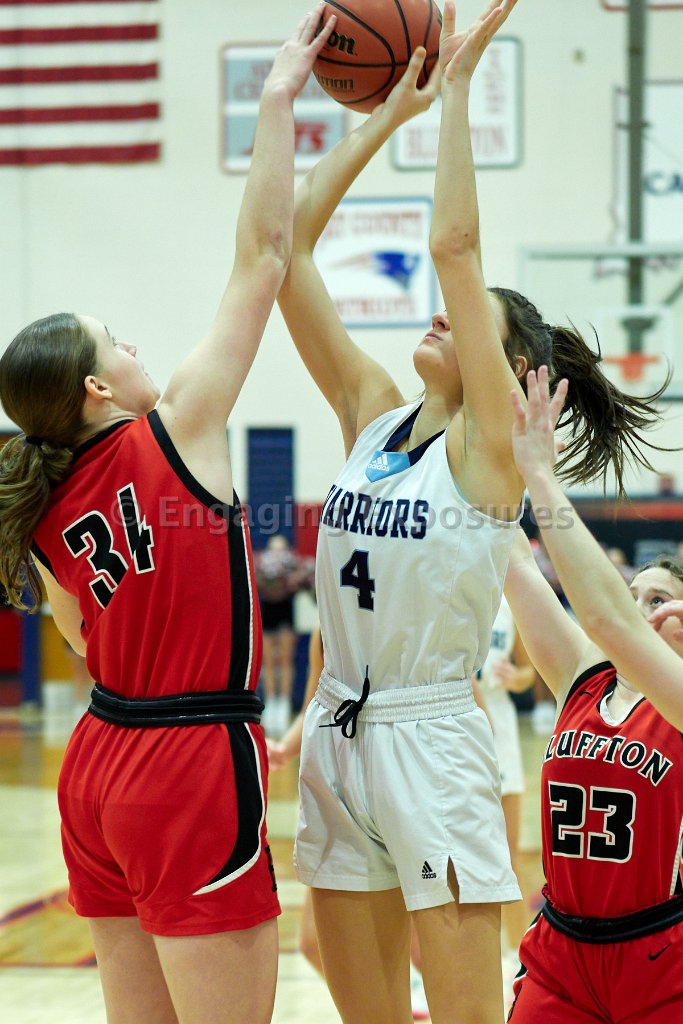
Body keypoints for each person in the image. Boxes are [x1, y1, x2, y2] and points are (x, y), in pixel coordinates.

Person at [276, 1, 669, 1021]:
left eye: (464, 319)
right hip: (339, 731)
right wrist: (382, 118)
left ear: (508, 365)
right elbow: (288, 250)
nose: (437, 313)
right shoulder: (369, 411)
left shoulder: (486, 448)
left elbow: (453, 244)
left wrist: (454, 93)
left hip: (431, 736)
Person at [0, 11, 336, 1024]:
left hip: (98, 764)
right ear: (98, 388)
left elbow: (79, 641)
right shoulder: (179, 425)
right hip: (189, 761)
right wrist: (277, 99)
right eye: (116, 339)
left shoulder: (42, 508)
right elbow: (264, 255)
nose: (135, 343)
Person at [502, 366, 683, 1022]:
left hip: (660, 953)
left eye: (658, 600)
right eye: (633, 595)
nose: (639, 610)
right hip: (560, 950)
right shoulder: (582, 673)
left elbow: (604, 616)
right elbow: (511, 560)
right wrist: (489, 448)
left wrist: (540, 476)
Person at [268, 624, 432, 1021]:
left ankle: (417, 999)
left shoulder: (413, 617)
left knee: (421, 946)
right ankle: (398, 1005)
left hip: (405, 782)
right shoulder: (327, 626)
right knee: (312, 943)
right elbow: (314, 702)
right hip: (340, 791)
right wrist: (284, 749)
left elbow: (464, 695)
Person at [473, 596, 537, 961]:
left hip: (500, 725)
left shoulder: (508, 603)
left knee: (508, 850)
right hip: (460, 722)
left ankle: (519, 954)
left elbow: (528, 670)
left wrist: (515, 678)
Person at [254, 534, 314, 737]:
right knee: (269, 663)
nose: (277, 554)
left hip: (286, 617)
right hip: (268, 616)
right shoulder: (261, 567)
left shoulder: (292, 568)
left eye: (281, 550)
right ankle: (271, 704)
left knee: (286, 661)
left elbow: (306, 580)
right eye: (274, 550)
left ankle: (284, 704)